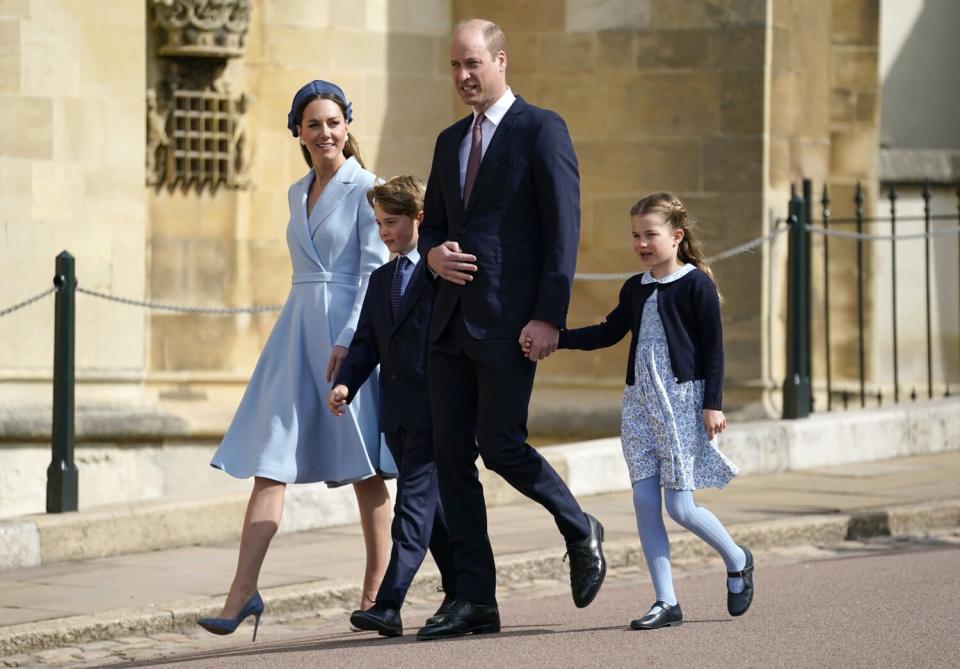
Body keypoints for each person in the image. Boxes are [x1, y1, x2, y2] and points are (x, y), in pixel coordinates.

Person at [414, 19, 606, 641]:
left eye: (474, 64)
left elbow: (563, 227)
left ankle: (579, 526)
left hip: (509, 322)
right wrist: (432, 255)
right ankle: (473, 599)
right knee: (450, 460)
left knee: (500, 446)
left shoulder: (540, 128)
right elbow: (431, 227)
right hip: (448, 323)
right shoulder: (448, 141)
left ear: (501, 60)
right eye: (455, 66)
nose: (464, 76)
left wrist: (549, 315)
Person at [198, 81, 396, 640]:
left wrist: (353, 340)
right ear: (299, 133)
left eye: (334, 122)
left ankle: (376, 594)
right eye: (314, 124)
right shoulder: (294, 191)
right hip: (296, 332)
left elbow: (372, 272)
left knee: (364, 467)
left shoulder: (368, 188)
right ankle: (241, 594)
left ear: (347, 127)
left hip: (347, 336)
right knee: (271, 457)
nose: (325, 132)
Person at [551, 193, 755, 630]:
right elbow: (608, 332)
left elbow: (713, 350)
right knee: (644, 503)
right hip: (639, 403)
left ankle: (737, 559)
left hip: (681, 400)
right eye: (635, 236)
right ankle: (666, 601)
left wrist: (712, 404)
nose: (642, 243)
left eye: (651, 234)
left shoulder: (696, 284)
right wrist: (558, 338)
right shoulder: (634, 287)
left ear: (677, 236)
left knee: (680, 507)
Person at [327, 176, 456, 638]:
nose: (384, 232)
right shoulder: (382, 278)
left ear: (419, 219)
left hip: (436, 409)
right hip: (396, 413)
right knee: (433, 512)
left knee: (413, 506)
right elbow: (366, 344)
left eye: (392, 222)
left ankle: (388, 604)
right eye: (379, 223)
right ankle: (468, 591)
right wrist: (346, 385)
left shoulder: (442, 272)